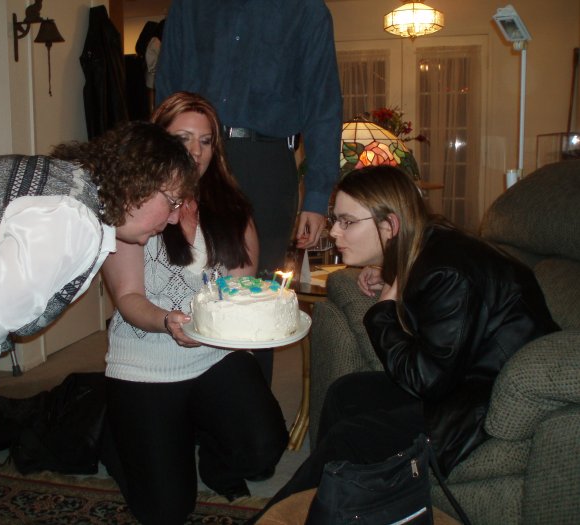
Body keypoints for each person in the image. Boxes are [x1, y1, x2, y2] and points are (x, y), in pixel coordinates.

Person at [0, 121, 198, 525]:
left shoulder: (76, 185)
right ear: (138, 184)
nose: (173, 219)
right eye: (172, 202)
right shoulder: (70, 221)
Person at [251, 165, 559, 521]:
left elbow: (426, 379)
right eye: (336, 219)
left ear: (390, 225)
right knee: (346, 393)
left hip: (492, 400)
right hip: (461, 376)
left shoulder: (447, 272)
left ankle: (276, 518)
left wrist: (383, 312)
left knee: (353, 437)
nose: (334, 231)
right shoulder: (426, 245)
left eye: (348, 222)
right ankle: (340, 501)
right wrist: (388, 267)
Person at [101, 92, 289, 525]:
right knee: (167, 511)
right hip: (145, 359)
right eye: (183, 137)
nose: (196, 151)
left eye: (206, 141)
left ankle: (200, 436)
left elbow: (244, 283)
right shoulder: (128, 205)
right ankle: (120, 433)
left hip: (214, 354)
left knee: (262, 450)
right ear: (157, 139)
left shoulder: (231, 206)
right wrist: (168, 322)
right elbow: (128, 299)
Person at [154, 0, 343, 383]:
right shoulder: (188, 8)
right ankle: (182, 396)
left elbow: (323, 106)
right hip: (194, 156)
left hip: (267, 163)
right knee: (185, 279)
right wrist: (158, 166)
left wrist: (318, 195)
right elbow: (166, 91)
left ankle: (248, 411)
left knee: (255, 296)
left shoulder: (306, 11)